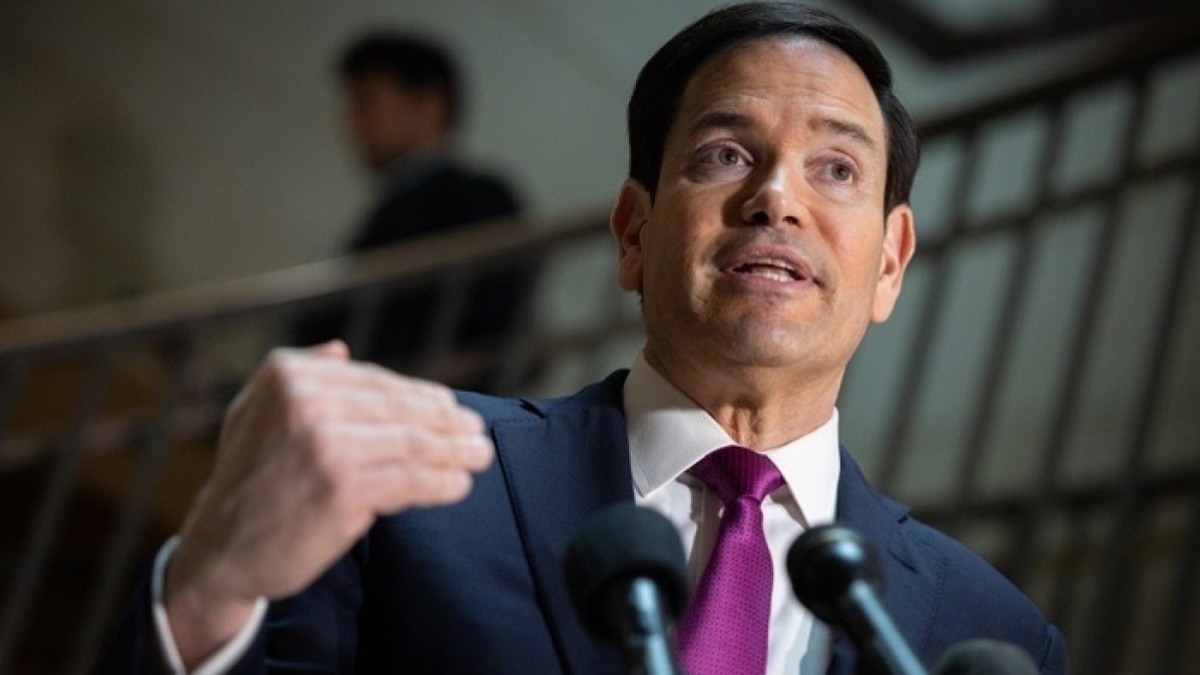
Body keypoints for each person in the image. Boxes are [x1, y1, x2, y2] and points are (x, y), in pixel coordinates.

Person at [98, 4, 1068, 673]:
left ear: (891, 263)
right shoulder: (403, 494)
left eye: (837, 169)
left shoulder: (993, 636)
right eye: (726, 153)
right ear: (633, 233)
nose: (776, 197)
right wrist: (208, 596)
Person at [292, 32, 533, 388]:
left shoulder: (472, 195)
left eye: (367, 103)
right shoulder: (400, 201)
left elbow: (495, 316)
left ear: (428, 105)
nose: (351, 125)